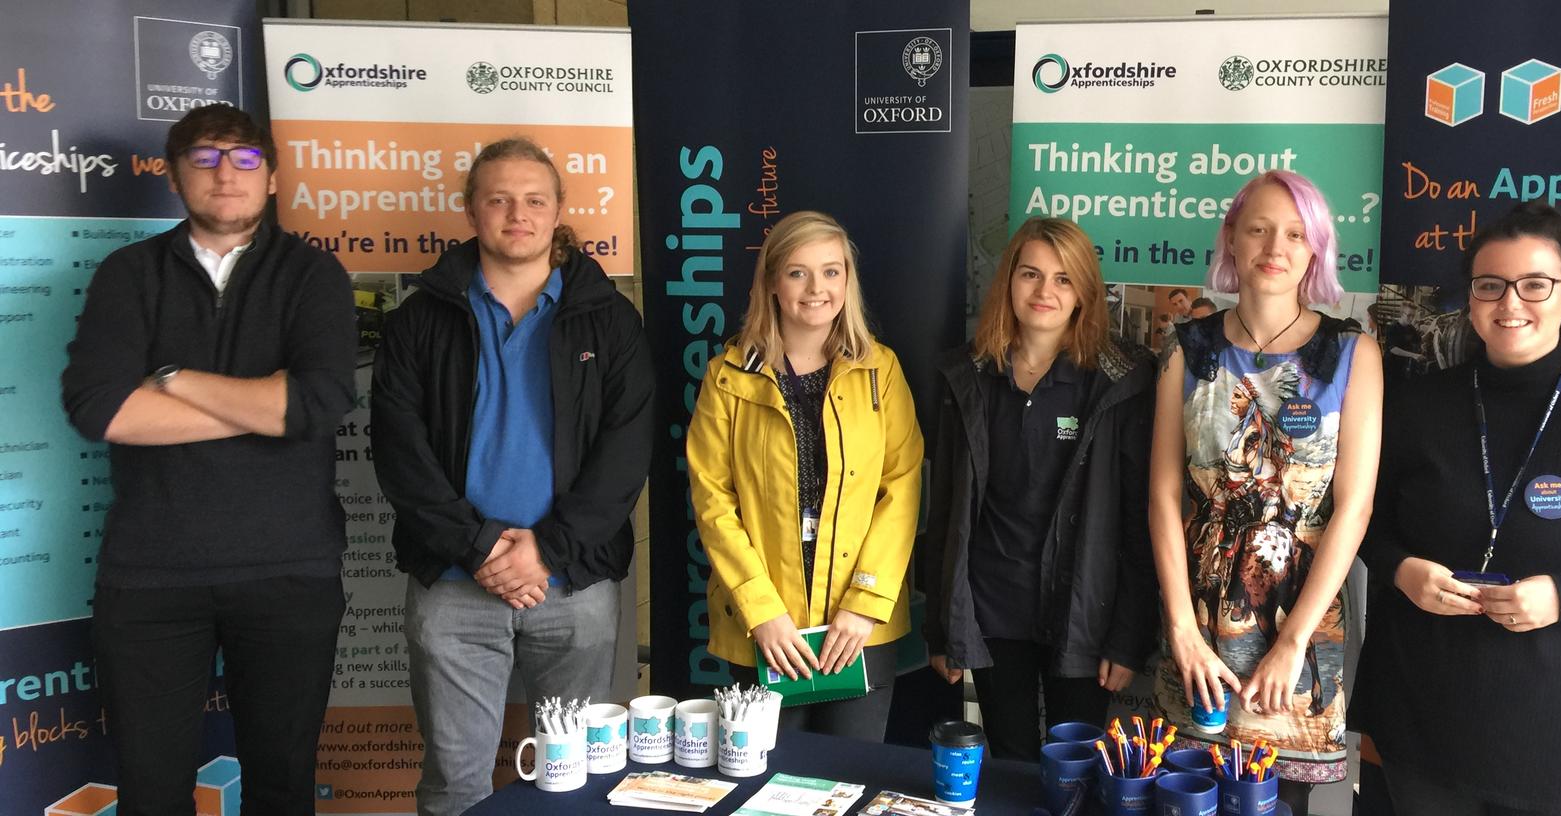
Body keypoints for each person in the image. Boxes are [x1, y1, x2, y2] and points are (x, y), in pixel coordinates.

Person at [1349, 201, 1561, 816]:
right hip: (1421, 718)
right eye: (1490, 286)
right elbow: (1362, 520)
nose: (1510, 304)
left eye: (1535, 284)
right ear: (1471, 300)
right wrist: (1400, 569)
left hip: (1559, 734)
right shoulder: (1415, 406)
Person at [61, 103, 355, 815]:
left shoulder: (314, 275)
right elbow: (102, 410)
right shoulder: (127, 275)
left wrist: (172, 377)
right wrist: (262, 406)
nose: (227, 174)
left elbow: (314, 406)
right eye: (206, 158)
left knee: (283, 787)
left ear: (274, 178)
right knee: (152, 790)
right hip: (151, 577)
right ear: (173, 175)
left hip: (290, 573)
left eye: (246, 160)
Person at [371, 137, 653, 815]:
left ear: (559, 211)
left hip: (574, 583)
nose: (516, 214)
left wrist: (547, 550)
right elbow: (400, 454)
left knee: (577, 780)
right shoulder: (418, 321)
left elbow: (626, 451)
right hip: (453, 584)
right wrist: (479, 549)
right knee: (454, 786)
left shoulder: (610, 320)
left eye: (533, 200)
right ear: (471, 210)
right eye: (498, 199)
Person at [1148, 170, 1382, 814]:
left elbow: (1353, 509)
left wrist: (1292, 641)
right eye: (1258, 229)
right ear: (1232, 239)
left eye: (1295, 234)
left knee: (1277, 803)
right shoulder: (1186, 350)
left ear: (1315, 250)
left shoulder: (1352, 354)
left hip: (1301, 621)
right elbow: (1165, 496)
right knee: (1188, 797)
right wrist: (1180, 630)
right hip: (1196, 618)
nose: (1275, 247)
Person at [922, 216, 1158, 761]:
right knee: (1010, 759)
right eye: (1030, 274)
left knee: (1074, 766)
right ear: (1008, 281)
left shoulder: (1118, 383)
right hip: (993, 609)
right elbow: (947, 512)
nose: (1044, 291)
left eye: (1063, 279)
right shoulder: (968, 377)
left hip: (1084, 612)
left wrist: (1128, 638)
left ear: (1084, 294)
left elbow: (1138, 520)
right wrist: (943, 628)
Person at [686, 211, 922, 740]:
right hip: (769, 632)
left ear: (847, 281)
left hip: (857, 632)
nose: (818, 288)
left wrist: (864, 603)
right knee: (767, 787)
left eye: (832, 271)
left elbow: (902, 488)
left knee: (848, 784)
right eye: (798, 272)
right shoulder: (727, 378)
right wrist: (761, 610)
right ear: (771, 282)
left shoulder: (880, 371)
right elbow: (712, 499)